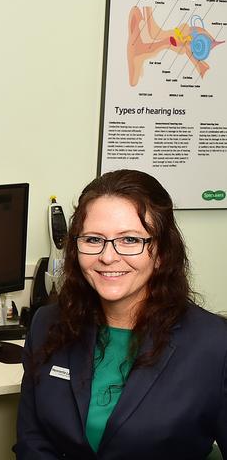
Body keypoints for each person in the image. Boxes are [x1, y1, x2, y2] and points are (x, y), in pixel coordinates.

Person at [14, 169, 227, 459]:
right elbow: (32, 440)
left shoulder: (215, 345)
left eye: (129, 240)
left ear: (161, 251)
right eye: (93, 239)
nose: (108, 256)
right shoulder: (46, 324)